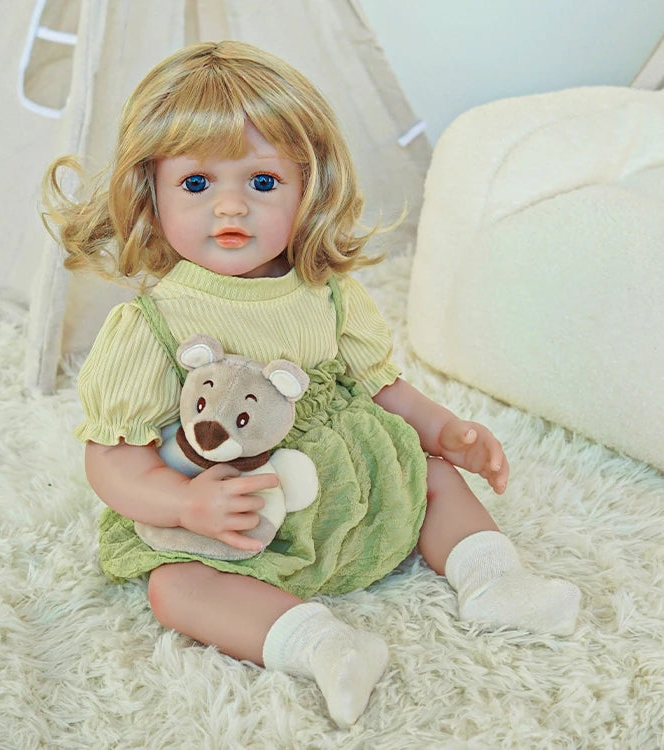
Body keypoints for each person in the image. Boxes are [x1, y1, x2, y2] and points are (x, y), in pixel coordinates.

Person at [43, 40, 581, 728]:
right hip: (241, 516)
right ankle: (323, 643)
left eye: (262, 183)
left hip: (354, 491)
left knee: (434, 475)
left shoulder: (328, 293)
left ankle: (495, 582)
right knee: (174, 588)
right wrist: (182, 505)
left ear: (307, 188)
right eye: (198, 184)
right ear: (150, 191)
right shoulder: (151, 324)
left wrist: (447, 430)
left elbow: (382, 387)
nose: (230, 209)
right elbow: (112, 457)